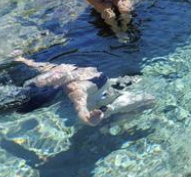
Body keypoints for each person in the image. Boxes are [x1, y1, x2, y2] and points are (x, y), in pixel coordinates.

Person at [13, 51, 153, 126]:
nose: (53, 76)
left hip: (106, 86)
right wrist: (89, 119)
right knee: (149, 99)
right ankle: (109, 113)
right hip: (100, 102)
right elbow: (80, 108)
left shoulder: (63, 69)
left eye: (50, 76)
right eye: (50, 80)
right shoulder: (75, 89)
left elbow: (38, 66)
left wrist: (21, 59)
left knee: (141, 87)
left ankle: (117, 96)